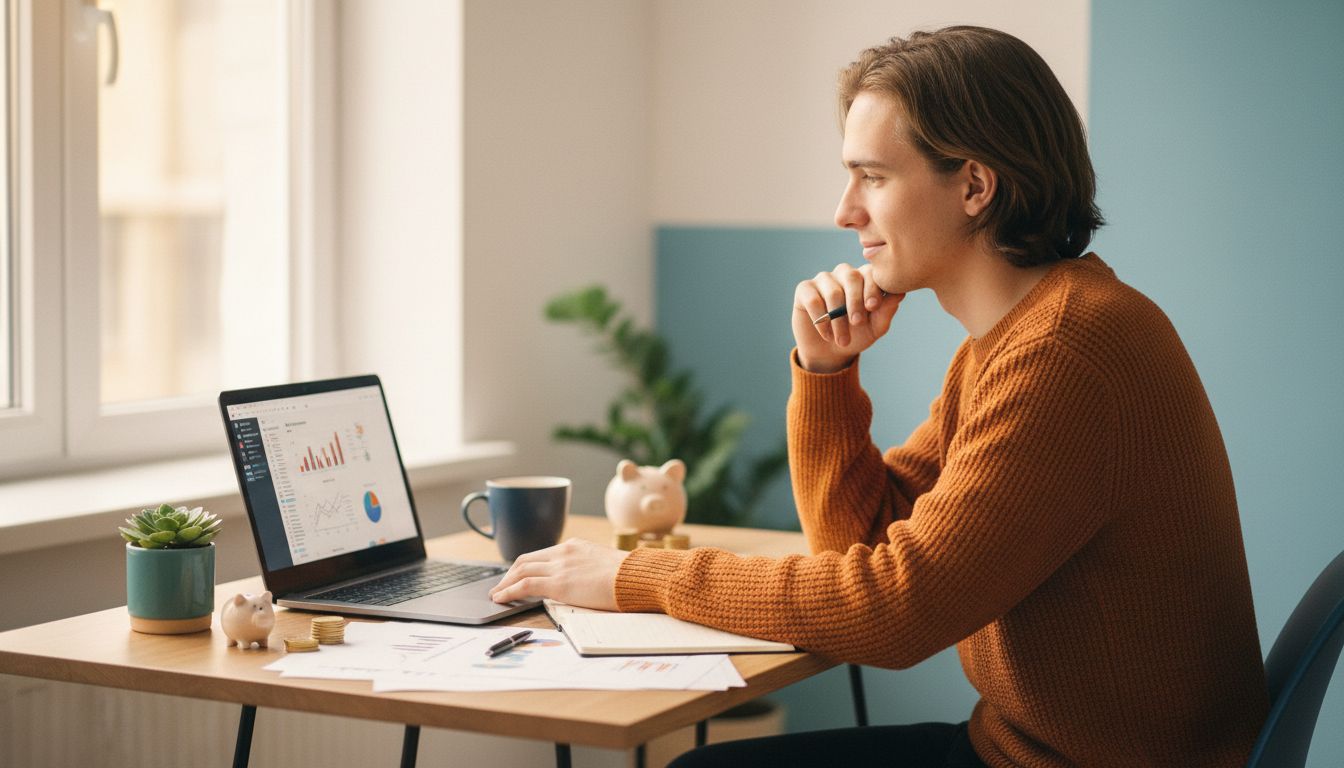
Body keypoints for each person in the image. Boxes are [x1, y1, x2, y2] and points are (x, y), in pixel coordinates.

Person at [490, 25, 1269, 767]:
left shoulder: (1064, 352)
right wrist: (826, 373)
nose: (845, 212)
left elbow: (894, 611)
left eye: (873, 177)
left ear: (975, 186)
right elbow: (861, 545)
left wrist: (630, 577)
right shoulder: (1016, 339)